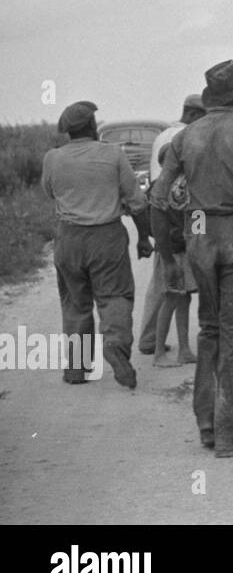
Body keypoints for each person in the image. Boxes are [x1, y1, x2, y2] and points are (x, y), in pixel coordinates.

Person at [155, 60, 233, 456]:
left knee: (210, 330)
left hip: (199, 236)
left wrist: (174, 245)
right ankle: (229, 434)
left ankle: (208, 426)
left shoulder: (186, 136)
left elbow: (161, 198)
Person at [42, 101, 154, 388]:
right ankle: (115, 345)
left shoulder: (52, 158)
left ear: (67, 131)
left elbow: (49, 192)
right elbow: (137, 203)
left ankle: (77, 369)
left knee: (76, 304)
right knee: (114, 296)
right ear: (93, 125)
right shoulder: (112, 154)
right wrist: (143, 238)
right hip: (106, 236)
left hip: (68, 237)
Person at [139, 94, 205, 358]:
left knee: (170, 292)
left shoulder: (163, 134)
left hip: (169, 229)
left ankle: (154, 341)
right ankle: (155, 344)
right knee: (170, 292)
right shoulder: (183, 138)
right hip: (175, 235)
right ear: (194, 114)